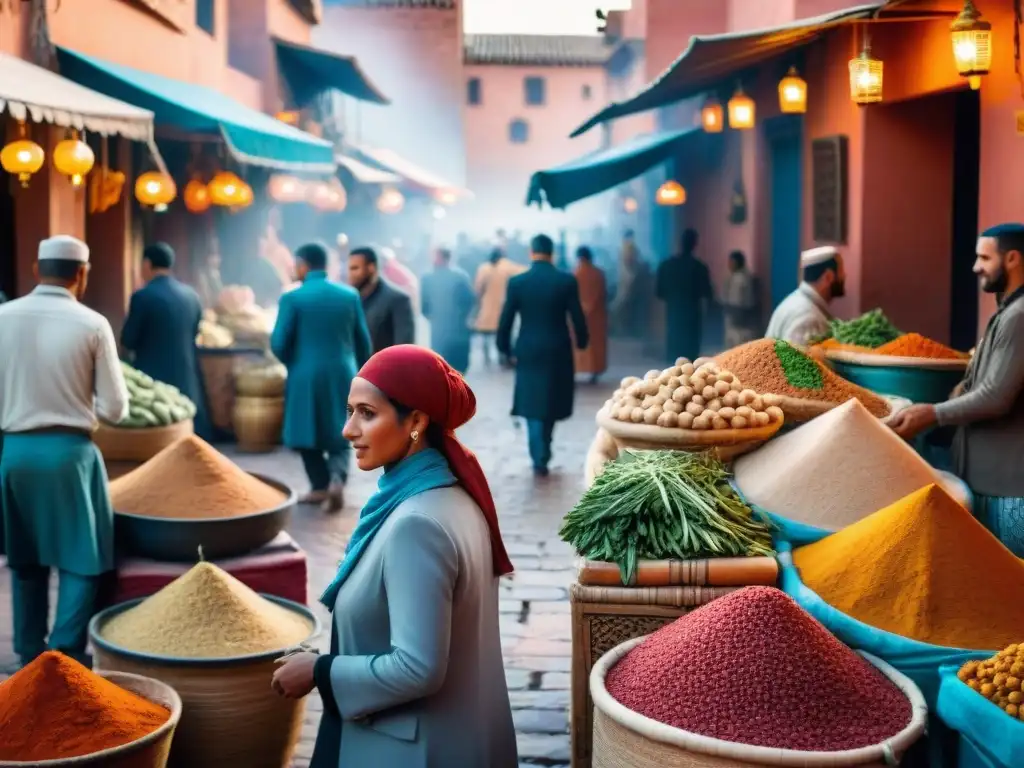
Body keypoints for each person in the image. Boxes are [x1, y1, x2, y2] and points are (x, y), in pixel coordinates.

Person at [271, 345, 518, 768]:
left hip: (409, 749)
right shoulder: (453, 495)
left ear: (417, 421)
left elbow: (417, 667)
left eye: (367, 413)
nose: (348, 430)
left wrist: (319, 671)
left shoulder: (414, 525)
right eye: (349, 411)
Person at [0, 235, 130, 669]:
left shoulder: (3, 317)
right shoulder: (91, 323)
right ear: (82, 274)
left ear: (37, 270)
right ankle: (64, 654)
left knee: (24, 559)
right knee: (82, 558)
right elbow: (115, 408)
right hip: (71, 454)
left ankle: (27, 655)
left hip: (14, 454)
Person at [890, 224, 1024, 556]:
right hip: (993, 487)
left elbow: (996, 397)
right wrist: (964, 387)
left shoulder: (1019, 316)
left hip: (1010, 494)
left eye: (984, 258)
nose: (976, 267)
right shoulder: (1008, 311)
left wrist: (933, 414)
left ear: (1012, 259)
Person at [272, 242, 372, 514]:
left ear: (303, 265)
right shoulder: (349, 295)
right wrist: (362, 372)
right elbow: (363, 341)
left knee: (306, 428)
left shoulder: (292, 298)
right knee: (343, 427)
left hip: (305, 373)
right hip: (343, 372)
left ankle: (319, 486)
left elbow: (279, 342)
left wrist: (293, 361)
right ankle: (338, 478)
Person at [496, 234, 589, 476]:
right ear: (552, 253)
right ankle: (543, 449)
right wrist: (582, 340)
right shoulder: (566, 281)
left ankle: (538, 452)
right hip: (557, 348)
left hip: (528, 349)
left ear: (531, 252)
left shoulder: (518, 282)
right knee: (551, 398)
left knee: (531, 399)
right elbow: (577, 316)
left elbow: (506, 319)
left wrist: (503, 347)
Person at [121, 243, 210, 438]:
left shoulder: (142, 297)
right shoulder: (191, 296)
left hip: (154, 384)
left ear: (146, 264)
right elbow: (195, 332)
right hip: (187, 379)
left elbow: (128, 339)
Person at [765, 246, 845, 346]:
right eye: (841, 272)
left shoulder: (795, 301)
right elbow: (798, 360)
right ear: (828, 277)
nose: (844, 276)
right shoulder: (808, 319)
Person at [655, 228, 712, 362]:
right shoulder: (700, 267)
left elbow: (659, 292)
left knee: (673, 351)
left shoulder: (666, 265)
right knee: (690, 354)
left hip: (673, 312)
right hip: (692, 314)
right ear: (695, 244)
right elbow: (707, 293)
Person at [348, 246, 416, 353]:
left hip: (386, 367)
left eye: (355, 268)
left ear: (371, 268)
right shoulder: (350, 300)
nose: (350, 274)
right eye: (349, 269)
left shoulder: (398, 300)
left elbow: (404, 350)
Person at [421, 247, 475, 374]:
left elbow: (424, 307)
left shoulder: (428, 278)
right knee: (455, 367)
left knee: (443, 365)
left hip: (443, 330)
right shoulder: (461, 276)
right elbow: (470, 301)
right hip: (454, 329)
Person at [474, 247, 526, 366]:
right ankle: (503, 358)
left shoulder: (483, 268)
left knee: (486, 336)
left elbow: (478, 289)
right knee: (504, 333)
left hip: (487, 307)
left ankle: (487, 360)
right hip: (503, 307)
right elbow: (524, 272)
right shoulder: (508, 266)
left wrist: (478, 304)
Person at [573, 246, 608, 383]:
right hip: (597, 317)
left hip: (579, 315)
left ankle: (578, 369)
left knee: (579, 343)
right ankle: (595, 371)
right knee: (596, 343)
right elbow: (603, 294)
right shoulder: (599, 274)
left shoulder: (576, 274)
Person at [722, 250, 760, 347]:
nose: (729, 265)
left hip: (739, 324)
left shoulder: (739, 279)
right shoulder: (745, 276)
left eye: (731, 262)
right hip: (740, 323)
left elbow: (737, 303)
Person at [194, 242, 224, 310]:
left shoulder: (218, 273)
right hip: (208, 308)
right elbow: (206, 297)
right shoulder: (202, 274)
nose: (217, 260)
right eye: (213, 257)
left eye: (218, 257)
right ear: (207, 259)